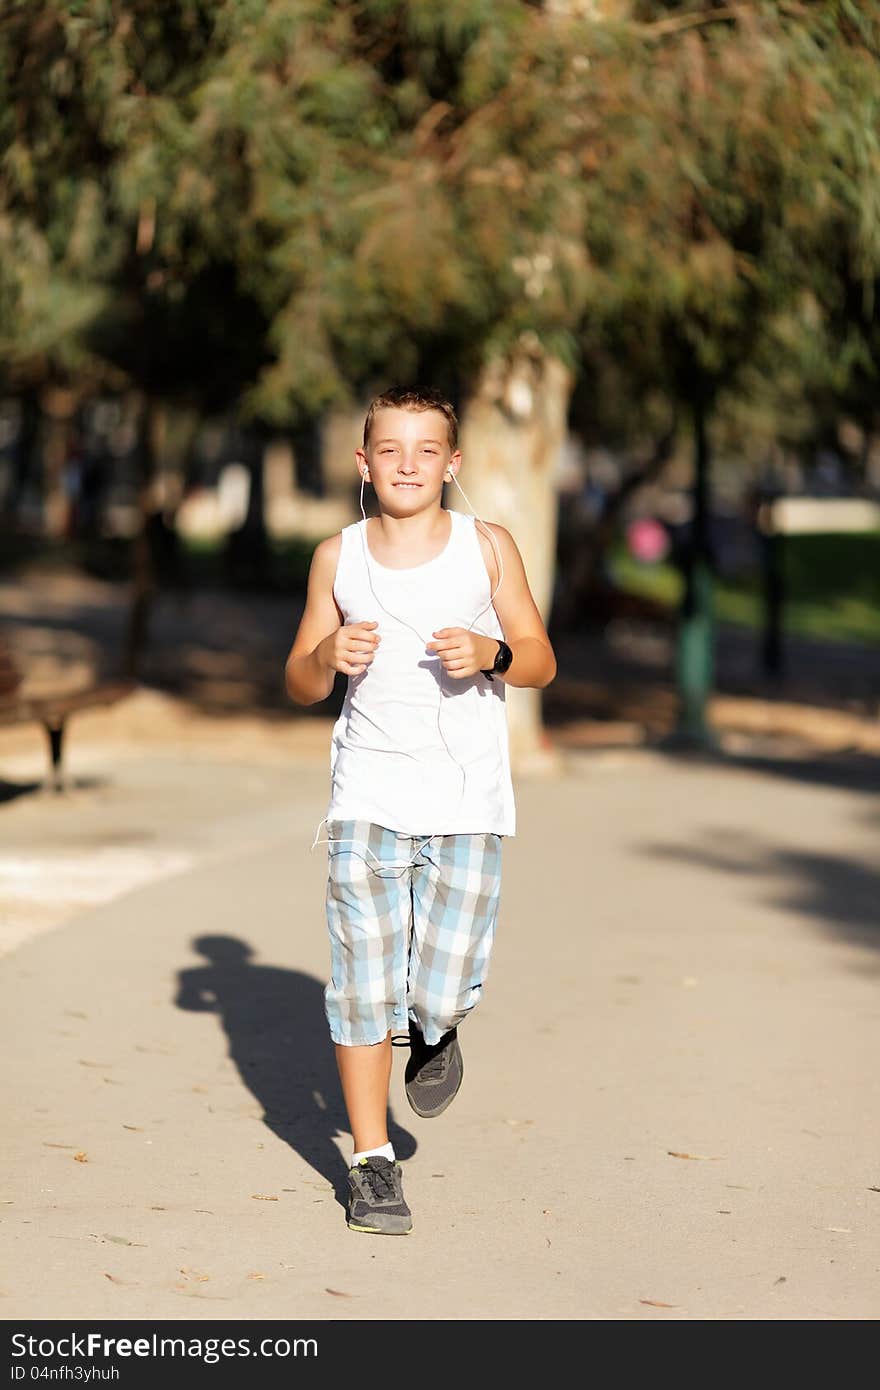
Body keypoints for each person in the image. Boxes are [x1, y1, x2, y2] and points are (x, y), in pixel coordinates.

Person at [284, 386, 556, 1234]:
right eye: (390, 450)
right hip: (365, 794)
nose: (408, 464)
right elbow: (297, 679)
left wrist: (494, 653)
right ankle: (371, 1163)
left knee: (436, 989)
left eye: (425, 449)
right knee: (363, 984)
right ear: (364, 463)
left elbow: (542, 661)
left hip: (468, 800)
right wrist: (327, 653)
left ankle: (437, 1030)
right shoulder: (340, 558)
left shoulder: (488, 548)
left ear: (452, 463)